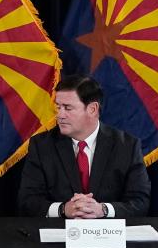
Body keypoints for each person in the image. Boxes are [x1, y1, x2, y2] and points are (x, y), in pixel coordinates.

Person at [18, 74, 151, 218]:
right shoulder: (41, 145)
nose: (59, 115)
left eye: (67, 108)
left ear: (92, 109)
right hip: (59, 234)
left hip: (108, 235)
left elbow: (140, 202)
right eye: (58, 107)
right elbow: (27, 201)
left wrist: (103, 210)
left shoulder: (127, 146)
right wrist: (63, 209)